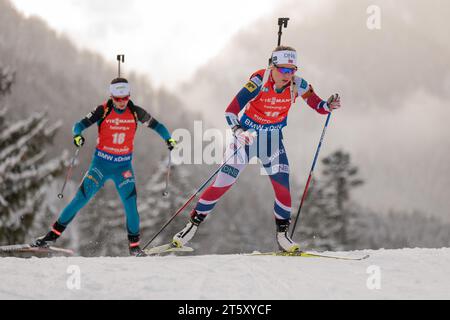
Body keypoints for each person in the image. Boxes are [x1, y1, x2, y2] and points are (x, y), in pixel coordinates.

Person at [172, 46, 341, 252]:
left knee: (282, 188)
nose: (288, 75)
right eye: (283, 70)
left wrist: (328, 106)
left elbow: (317, 104)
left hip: (272, 141)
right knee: (223, 183)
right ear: (273, 66)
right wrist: (238, 131)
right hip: (247, 138)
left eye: (292, 70)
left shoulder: (298, 84)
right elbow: (230, 111)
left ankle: (283, 236)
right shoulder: (259, 81)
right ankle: (192, 225)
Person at [33, 78, 177, 256]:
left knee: (131, 205)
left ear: (129, 96)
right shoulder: (103, 110)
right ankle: (50, 237)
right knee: (80, 199)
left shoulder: (136, 112)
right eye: (117, 99)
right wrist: (77, 135)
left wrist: (168, 138)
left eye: (125, 98)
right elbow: (78, 125)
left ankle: (134, 248)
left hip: (123, 167)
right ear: (112, 96)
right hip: (100, 165)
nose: (121, 102)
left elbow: (158, 126)